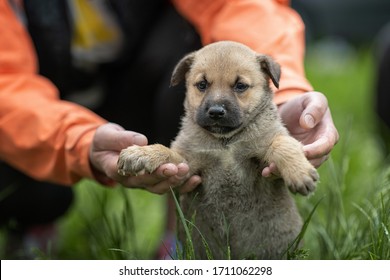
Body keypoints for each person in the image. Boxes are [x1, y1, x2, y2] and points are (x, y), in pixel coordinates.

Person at [0, 0, 339, 259]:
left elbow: (237, 5)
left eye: (238, 87)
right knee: (33, 192)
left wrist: (286, 94)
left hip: (142, 79)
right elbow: (5, 86)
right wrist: (77, 141)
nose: (218, 102)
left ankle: (180, 237)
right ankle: (30, 221)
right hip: (35, 101)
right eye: (202, 85)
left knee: (198, 38)